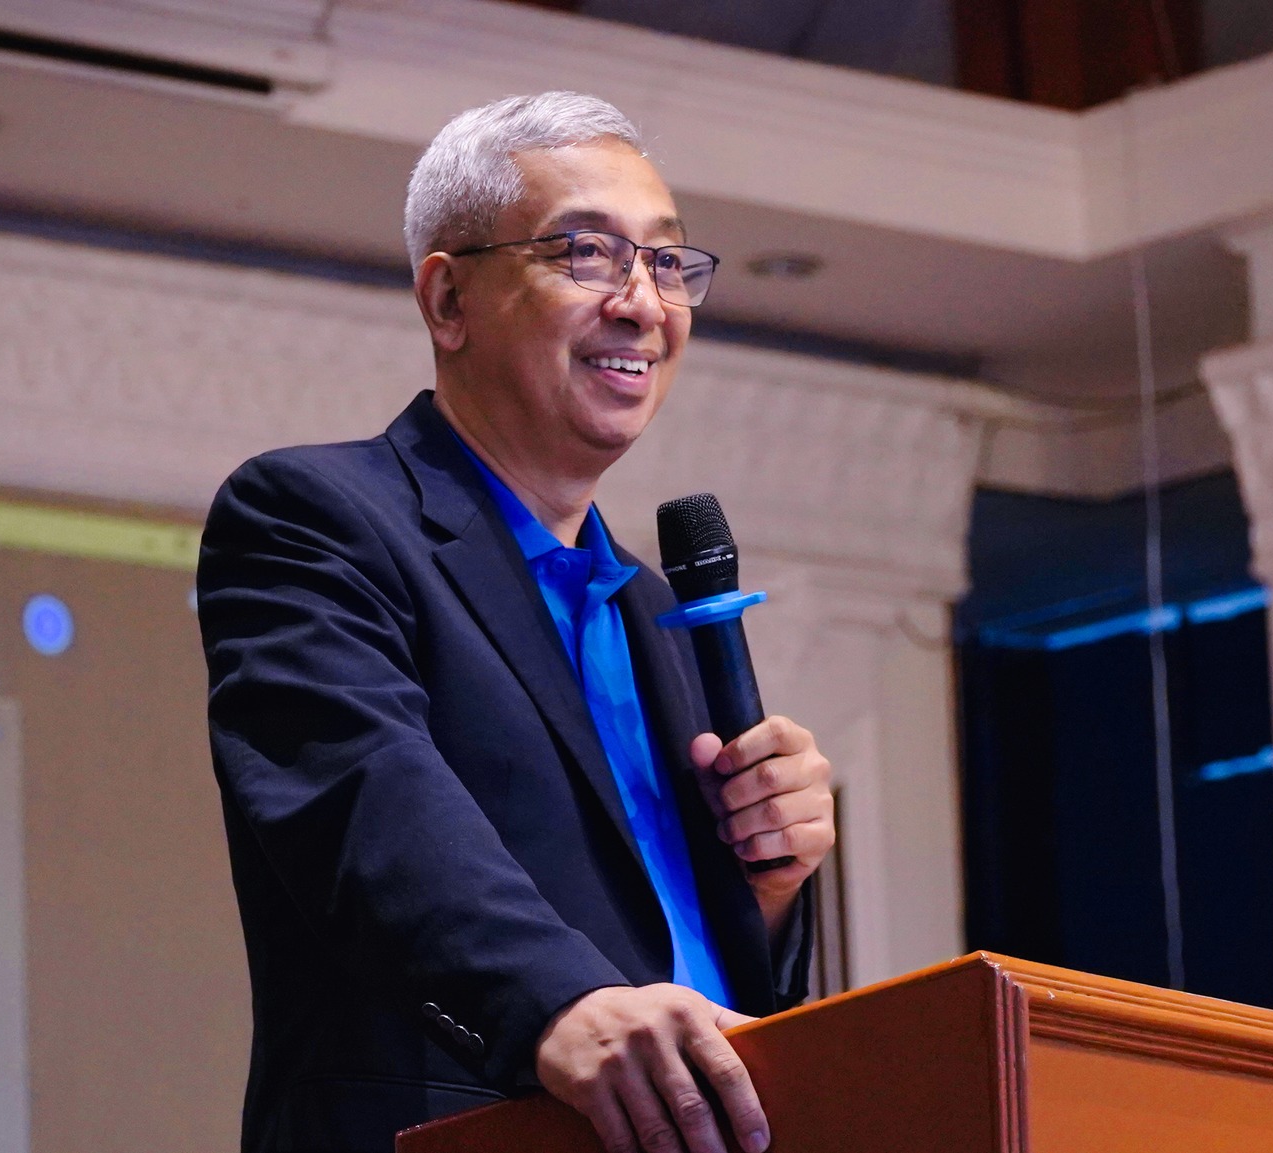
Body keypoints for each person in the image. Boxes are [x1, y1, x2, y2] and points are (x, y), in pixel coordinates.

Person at [197, 92, 837, 1153]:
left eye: (666, 262)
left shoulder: (658, 609)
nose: (642, 303)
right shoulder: (315, 518)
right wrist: (559, 1006)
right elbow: (363, 804)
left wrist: (765, 885)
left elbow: (699, 962)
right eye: (586, 253)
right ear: (448, 299)